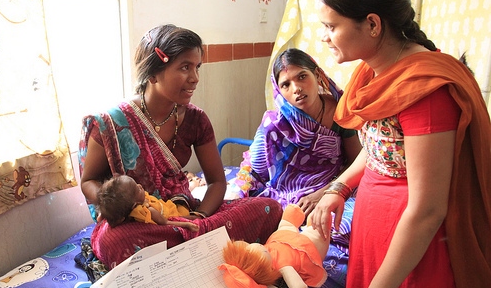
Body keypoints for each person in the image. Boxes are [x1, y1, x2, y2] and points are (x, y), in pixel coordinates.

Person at [310, 0, 491, 288]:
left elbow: (428, 207)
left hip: (414, 243)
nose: (324, 37)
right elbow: (379, 151)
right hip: (377, 226)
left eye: (331, 26)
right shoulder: (374, 74)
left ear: (372, 24)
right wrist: (339, 187)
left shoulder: (424, 92)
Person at [79, 24, 282, 269]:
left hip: (183, 215)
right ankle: (196, 249)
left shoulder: (196, 120)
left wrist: (199, 219)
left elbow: (217, 182)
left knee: (268, 208)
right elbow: (88, 181)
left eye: (197, 67)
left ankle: (185, 248)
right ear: (153, 74)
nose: (195, 78)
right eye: (185, 67)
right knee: (113, 240)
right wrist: (117, 204)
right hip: (135, 221)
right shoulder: (111, 123)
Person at [233, 48, 361, 252]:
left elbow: (355, 163)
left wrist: (323, 193)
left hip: (333, 185)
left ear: (317, 75)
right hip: (287, 194)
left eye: (302, 77)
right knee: (252, 216)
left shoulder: (340, 113)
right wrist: (236, 195)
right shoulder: (275, 124)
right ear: (279, 90)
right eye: (286, 84)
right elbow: (254, 169)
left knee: (352, 223)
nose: (297, 88)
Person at [96, 174, 198, 232]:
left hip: (165, 205)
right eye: (137, 189)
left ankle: (194, 182)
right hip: (175, 212)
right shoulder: (149, 211)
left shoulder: (126, 209)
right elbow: (167, 222)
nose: (140, 186)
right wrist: (187, 224)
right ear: (134, 205)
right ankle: (196, 182)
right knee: (183, 197)